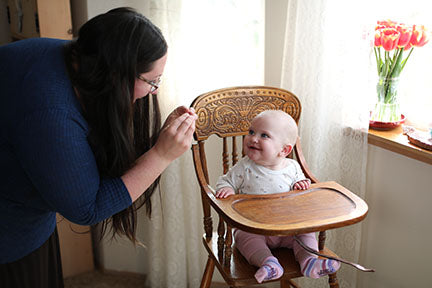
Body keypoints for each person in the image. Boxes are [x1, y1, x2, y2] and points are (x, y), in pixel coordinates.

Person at [0, 7, 197, 288]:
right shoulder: (51, 114)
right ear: (116, 75)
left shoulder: (77, 58)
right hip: (9, 234)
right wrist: (161, 155)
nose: (155, 91)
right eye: (152, 81)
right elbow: (87, 209)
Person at [215, 110, 340, 283]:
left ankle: (309, 261)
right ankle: (268, 263)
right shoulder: (245, 167)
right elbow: (225, 181)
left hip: (288, 229)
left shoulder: (293, 167)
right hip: (255, 228)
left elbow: (304, 187)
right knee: (244, 238)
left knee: (306, 234)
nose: (253, 138)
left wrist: (302, 185)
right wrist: (227, 189)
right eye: (251, 132)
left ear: (284, 150)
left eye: (264, 135)